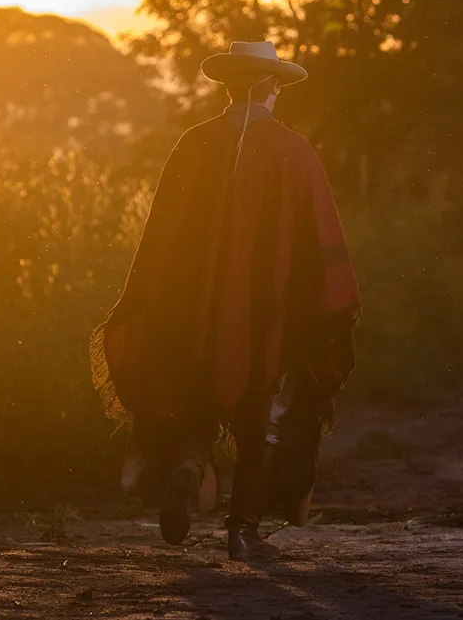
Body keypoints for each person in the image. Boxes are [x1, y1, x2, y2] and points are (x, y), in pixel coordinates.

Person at [90, 41, 361, 563]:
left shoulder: (191, 144)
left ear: (231, 86)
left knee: (195, 399)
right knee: (260, 413)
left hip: (189, 313)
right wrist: (319, 316)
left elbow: (161, 242)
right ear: (270, 86)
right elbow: (319, 242)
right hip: (269, 315)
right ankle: (242, 532)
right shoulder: (294, 152)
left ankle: (189, 467)